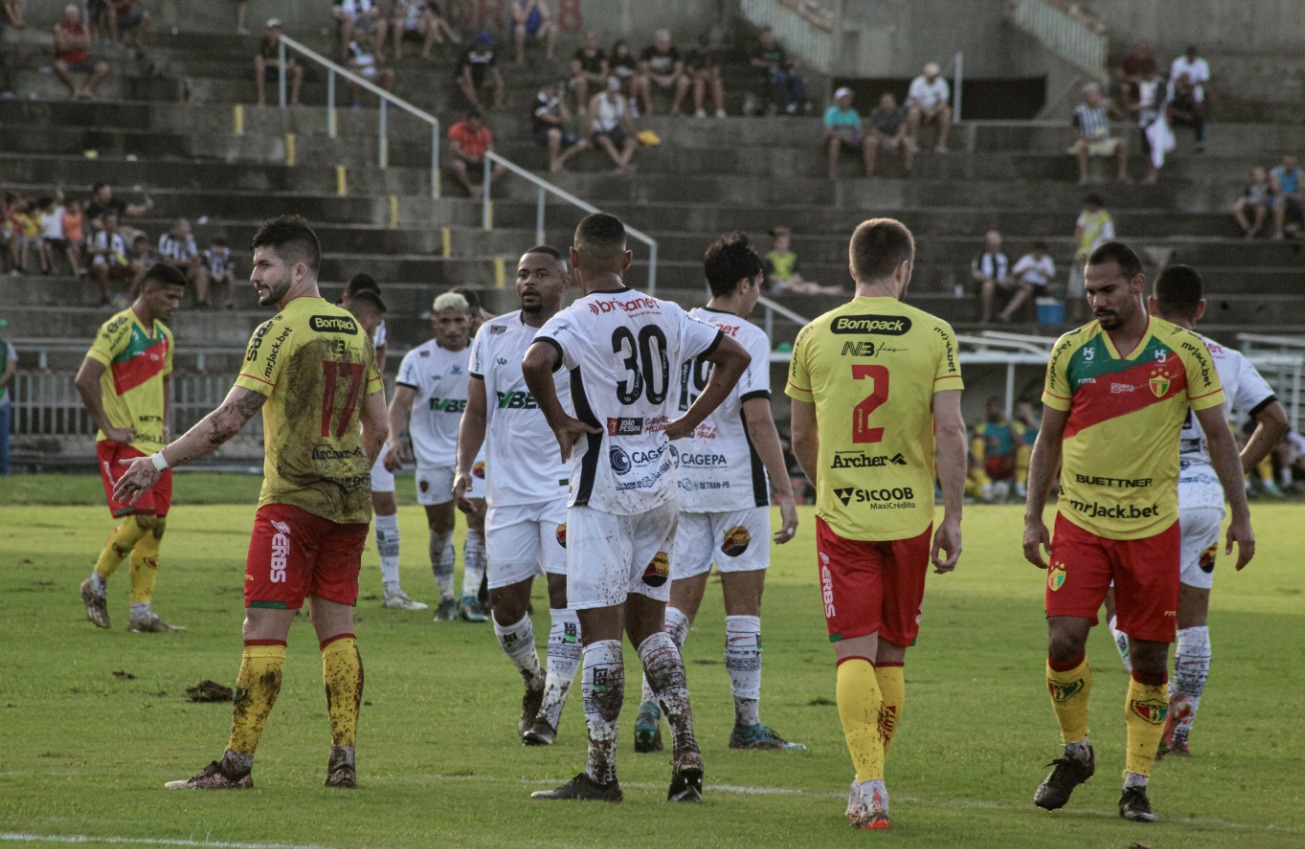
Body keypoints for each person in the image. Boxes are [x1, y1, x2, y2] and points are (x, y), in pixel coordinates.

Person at [115, 215, 387, 791]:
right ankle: (343, 759)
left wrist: (155, 462)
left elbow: (227, 421)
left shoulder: (279, 330)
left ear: (299, 268)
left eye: (264, 264)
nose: (253, 274)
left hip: (290, 502)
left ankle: (236, 765)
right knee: (337, 630)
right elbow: (380, 428)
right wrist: (344, 469)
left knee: (263, 629)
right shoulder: (354, 331)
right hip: (351, 504)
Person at [522, 212, 751, 802]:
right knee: (650, 626)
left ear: (574, 263)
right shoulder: (669, 312)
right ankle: (688, 752)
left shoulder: (573, 318)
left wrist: (560, 423)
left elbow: (534, 363)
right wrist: (689, 421)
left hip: (602, 485)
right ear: (627, 261)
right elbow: (734, 358)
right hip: (660, 481)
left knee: (600, 627)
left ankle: (601, 772)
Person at [1022, 241, 1254, 823]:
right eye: (1090, 291)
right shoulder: (1071, 350)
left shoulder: (1182, 351)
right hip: (1080, 522)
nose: (1097, 301)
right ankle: (1076, 752)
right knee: (1063, 639)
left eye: (1107, 290)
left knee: (1151, 656)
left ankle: (1136, 782)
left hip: (1153, 528)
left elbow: (1222, 437)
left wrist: (1242, 515)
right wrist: (1032, 516)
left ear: (1136, 285)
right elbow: (1047, 439)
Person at [786, 217, 966, 830]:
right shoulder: (935, 333)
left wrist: (826, 481)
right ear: (904, 269)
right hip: (911, 516)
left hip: (844, 516)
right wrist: (955, 517)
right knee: (891, 655)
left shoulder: (812, 334)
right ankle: (872, 779)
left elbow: (801, 434)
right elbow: (950, 430)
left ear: (851, 266)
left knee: (852, 652)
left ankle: (870, 783)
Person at [1100, 265, 1286, 760]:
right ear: (1201, 309)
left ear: (1152, 306)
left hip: (1145, 497)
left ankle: (1155, 702)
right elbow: (1275, 420)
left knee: (1118, 608)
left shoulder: (1135, 350)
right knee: (1193, 621)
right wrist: (1233, 473)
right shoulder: (1227, 358)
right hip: (1204, 499)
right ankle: (1180, 734)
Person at [632, 231, 802, 754]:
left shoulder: (676, 325)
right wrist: (786, 489)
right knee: (743, 608)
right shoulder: (747, 337)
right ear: (747, 284)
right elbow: (757, 418)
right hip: (733, 491)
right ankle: (747, 722)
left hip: (678, 489)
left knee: (674, 611)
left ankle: (647, 707)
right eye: (758, 285)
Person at [453, 246, 581, 746]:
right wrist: (464, 469)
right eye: (523, 274)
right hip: (507, 494)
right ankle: (533, 678)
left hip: (565, 491)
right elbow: (477, 411)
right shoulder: (493, 334)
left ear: (564, 282)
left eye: (542, 274)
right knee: (506, 606)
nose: (529, 282)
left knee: (564, 596)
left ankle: (550, 710)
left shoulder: (579, 331)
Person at [75, 263, 187, 633]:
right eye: (169, 296)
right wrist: (107, 426)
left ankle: (141, 614)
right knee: (141, 518)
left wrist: (166, 422)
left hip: (155, 448)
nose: (175, 304)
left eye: (179, 298)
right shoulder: (119, 328)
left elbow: (167, 380)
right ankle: (96, 582)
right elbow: (85, 378)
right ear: (147, 291)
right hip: (122, 443)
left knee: (156, 526)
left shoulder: (165, 337)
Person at [386, 291, 488, 623]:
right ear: (435, 323)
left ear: (470, 320)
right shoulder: (418, 358)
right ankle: (446, 598)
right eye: (445, 321)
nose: (453, 328)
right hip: (431, 456)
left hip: (476, 453)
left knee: (479, 522)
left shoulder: (484, 353)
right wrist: (392, 439)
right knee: (441, 526)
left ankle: (471, 596)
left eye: (460, 320)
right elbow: (400, 402)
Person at [338, 275, 425, 611]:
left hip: (368, 426)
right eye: (374, 319)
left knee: (384, 502)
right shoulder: (330, 326)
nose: (377, 327)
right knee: (334, 508)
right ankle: (330, 587)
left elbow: (377, 374)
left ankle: (392, 589)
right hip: (337, 433)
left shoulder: (376, 334)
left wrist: (386, 435)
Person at [968, 396, 1026, 503]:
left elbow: (1020, 442)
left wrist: (1007, 422)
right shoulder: (984, 426)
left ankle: (1020, 485)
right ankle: (985, 485)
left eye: (993, 408)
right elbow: (974, 439)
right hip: (989, 462)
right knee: (978, 442)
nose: (990, 411)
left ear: (1001, 408)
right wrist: (988, 438)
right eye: (989, 408)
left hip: (1008, 462)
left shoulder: (1015, 425)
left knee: (1024, 449)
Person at [1070, 83, 1129, 185]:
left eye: (1096, 94)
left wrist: (1112, 107)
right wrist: (1090, 140)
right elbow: (1076, 134)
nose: (1094, 97)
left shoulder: (1104, 108)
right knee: (1080, 146)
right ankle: (1084, 177)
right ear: (1086, 97)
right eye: (1091, 95)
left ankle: (1122, 176)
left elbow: (1120, 118)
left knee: (1122, 143)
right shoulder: (1078, 111)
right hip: (1088, 142)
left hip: (1104, 141)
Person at [1068, 193, 1114, 322]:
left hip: (1096, 259)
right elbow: (1079, 229)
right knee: (1076, 287)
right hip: (1081, 255)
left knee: (1094, 288)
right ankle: (1076, 315)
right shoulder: (1085, 214)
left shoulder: (1105, 218)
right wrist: (1080, 244)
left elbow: (1108, 239)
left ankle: (1092, 316)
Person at [763, 225, 841, 296]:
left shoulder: (792, 257)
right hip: (777, 285)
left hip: (791, 283)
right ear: (775, 243)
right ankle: (802, 290)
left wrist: (792, 281)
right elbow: (770, 276)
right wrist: (785, 281)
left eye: (785, 242)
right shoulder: (770, 257)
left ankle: (825, 290)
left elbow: (796, 275)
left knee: (810, 285)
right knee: (786, 286)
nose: (783, 245)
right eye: (781, 242)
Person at [53, 4, 109, 100]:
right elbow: (62, 47)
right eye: (70, 15)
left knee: (103, 67)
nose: (73, 18)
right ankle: (76, 90)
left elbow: (88, 46)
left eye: (75, 15)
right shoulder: (59, 27)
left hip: (82, 59)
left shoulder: (84, 28)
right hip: (66, 59)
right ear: (65, 16)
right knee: (59, 66)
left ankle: (87, 90)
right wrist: (79, 46)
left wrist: (70, 46)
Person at [532, 81, 591, 173]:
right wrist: (560, 119)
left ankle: (560, 160)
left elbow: (567, 118)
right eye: (549, 88)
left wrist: (561, 101)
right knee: (555, 134)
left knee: (583, 143)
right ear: (544, 89)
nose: (551, 91)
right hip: (542, 132)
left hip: (560, 132)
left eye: (553, 89)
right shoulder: (538, 102)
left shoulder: (556, 102)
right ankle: (552, 165)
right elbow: (546, 117)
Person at [448, 110, 507, 198]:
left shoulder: (484, 131)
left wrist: (483, 157)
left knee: (502, 167)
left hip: (480, 159)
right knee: (457, 166)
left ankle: (481, 188)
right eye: (471, 122)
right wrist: (469, 157)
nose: (474, 125)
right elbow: (455, 149)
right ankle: (470, 188)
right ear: (467, 121)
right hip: (464, 158)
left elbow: (490, 148)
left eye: (476, 121)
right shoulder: (457, 129)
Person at [749, 27, 806, 115]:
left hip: (782, 71)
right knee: (781, 78)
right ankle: (784, 103)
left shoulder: (778, 49)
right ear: (761, 38)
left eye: (770, 37)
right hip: (766, 73)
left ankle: (796, 102)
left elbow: (784, 61)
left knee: (797, 77)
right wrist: (769, 64)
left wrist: (793, 64)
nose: (769, 39)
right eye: (766, 37)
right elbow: (754, 62)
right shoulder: (758, 49)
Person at [588, 77, 639, 175]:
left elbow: (627, 119)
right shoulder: (598, 99)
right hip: (599, 130)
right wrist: (588, 136)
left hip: (614, 129)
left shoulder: (621, 100)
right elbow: (591, 118)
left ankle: (620, 168)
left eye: (615, 92)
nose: (613, 94)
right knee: (605, 140)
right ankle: (624, 166)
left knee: (631, 143)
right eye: (611, 91)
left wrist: (633, 133)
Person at [634, 29, 689, 117]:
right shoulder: (648, 51)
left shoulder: (674, 51)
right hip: (653, 79)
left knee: (684, 80)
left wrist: (671, 78)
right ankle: (649, 109)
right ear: (656, 42)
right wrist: (658, 79)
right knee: (642, 80)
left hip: (670, 79)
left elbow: (679, 69)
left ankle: (675, 108)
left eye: (666, 42)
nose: (664, 45)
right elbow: (643, 69)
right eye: (662, 42)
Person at [158, 218, 211, 308]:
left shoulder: (189, 238)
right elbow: (166, 260)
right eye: (185, 229)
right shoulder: (166, 238)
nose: (187, 232)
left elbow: (194, 256)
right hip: (172, 268)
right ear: (177, 230)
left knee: (202, 270)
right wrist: (185, 262)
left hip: (186, 269)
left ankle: (201, 301)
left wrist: (197, 261)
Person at [87, 210, 136, 306]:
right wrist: (107, 251)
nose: (112, 225)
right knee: (103, 267)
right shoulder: (96, 234)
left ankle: (129, 294)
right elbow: (90, 250)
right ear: (104, 223)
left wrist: (124, 262)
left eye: (114, 222)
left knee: (139, 267)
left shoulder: (119, 237)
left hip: (114, 264)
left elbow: (122, 255)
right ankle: (105, 296)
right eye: (109, 222)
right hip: (98, 264)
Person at [824, 87, 872, 180]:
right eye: (844, 98)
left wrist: (855, 139)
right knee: (835, 142)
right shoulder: (831, 112)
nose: (847, 101)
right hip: (837, 138)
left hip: (850, 139)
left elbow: (859, 131)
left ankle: (869, 172)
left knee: (869, 142)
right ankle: (832, 172)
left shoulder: (853, 113)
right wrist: (844, 138)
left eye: (848, 98)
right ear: (838, 100)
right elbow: (830, 131)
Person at [1167, 45, 1209, 152]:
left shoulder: (1192, 90)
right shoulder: (1173, 90)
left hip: (1188, 114)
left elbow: (1197, 108)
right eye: (1184, 80)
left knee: (1200, 117)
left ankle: (1200, 142)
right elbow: (1168, 108)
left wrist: (1192, 94)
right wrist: (1183, 115)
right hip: (1177, 114)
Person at [1004, 240, 1056, 323]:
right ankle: (1007, 314)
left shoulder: (1047, 260)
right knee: (1027, 290)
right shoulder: (1026, 259)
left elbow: (1052, 277)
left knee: (1050, 289)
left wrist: (1045, 273)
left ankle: (1048, 317)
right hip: (1028, 284)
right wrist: (1025, 270)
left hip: (1041, 286)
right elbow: (1014, 274)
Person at [255, 19, 304, 107]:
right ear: (268, 31)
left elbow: (291, 60)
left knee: (298, 70)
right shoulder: (263, 43)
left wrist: (287, 65)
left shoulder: (283, 44)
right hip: (268, 71)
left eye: (277, 30)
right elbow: (259, 60)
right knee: (260, 69)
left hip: (281, 70)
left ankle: (294, 100)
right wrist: (275, 63)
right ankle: (261, 100)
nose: (275, 33)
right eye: (273, 30)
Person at [866, 92, 914, 177]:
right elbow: (874, 131)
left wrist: (896, 140)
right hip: (881, 138)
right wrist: (886, 140)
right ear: (880, 104)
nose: (887, 104)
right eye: (884, 102)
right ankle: (870, 172)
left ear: (894, 103)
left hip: (896, 138)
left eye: (889, 102)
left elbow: (903, 129)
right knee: (870, 141)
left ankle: (907, 171)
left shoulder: (900, 112)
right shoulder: (875, 113)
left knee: (909, 142)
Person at [906, 62, 951, 152]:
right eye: (930, 75)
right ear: (925, 73)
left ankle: (941, 144)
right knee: (913, 112)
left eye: (934, 75)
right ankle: (913, 143)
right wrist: (926, 112)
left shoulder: (942, 83)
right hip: (920, 110)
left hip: (935, 111)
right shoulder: (917, 83)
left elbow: (943, 102)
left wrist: (933, 112)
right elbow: (915, 101)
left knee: (946, 112)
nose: (932, 77)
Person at [346, 29, 396, 108]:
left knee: (389, 73)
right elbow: (351, 63)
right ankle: (356, 101)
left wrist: (375, 48)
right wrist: (369, 64)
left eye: (361, 35)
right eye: (357, 36)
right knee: (356, 73)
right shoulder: (352, 47)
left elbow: (382, 60)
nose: (359, 38)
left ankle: (386, 100)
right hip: (359, 74)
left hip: (373, 74)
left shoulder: (371, 46)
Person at [391, 1, 457, 60]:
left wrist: (423, 17)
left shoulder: (421, 2)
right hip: (405, 24)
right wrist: (409, 4)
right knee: (398, 23)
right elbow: (398, 14)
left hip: (419, 24)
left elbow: (428, 13)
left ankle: (425, 52)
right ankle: (398, 51)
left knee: (433, 24)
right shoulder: (401, 2)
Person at [455, 33, 505, 111]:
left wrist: (498, 82)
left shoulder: (490, 54)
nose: (489, 47)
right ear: (480, 45)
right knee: (462, 82)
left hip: (480, 79)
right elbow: (467, 74)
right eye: (486, 45)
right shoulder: (468, 53)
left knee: (499, 83)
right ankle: (476, 105)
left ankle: (497, 105)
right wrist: (471, 86)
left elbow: (495, 72)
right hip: (466, 78)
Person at [972, 229, 1013, 324]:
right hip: (986, 284)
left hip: (1003, 285)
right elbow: (976, 274)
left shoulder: (1004, 257)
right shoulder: (981, 257)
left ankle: (1005, 315)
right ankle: (986, 316)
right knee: (988, 286)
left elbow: (1012, 273)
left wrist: (1007, 281)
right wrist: (994, 281)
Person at [683, 34, 726, 119]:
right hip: (695, 81)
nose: (703, 48)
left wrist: (709, 75)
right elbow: (689, 71)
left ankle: (720, 110)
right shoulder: (691, 55)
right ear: (697, 44)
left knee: (717, 82)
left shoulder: (712, 55)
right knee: (699, 83)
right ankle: (699, 110)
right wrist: (700, 74)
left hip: (710, 80)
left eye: (705, 45)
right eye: (701, 45)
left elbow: (716, 70)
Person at [568, 31, 608, 117]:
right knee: (580, 81)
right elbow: (576, 70)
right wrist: (592, 77)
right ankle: (581, 107)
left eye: (592, 39)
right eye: (588, 39)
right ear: (584, 40)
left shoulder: (600, 53)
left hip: (597, 79)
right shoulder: (579, 53)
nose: (590, 41)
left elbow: (605, 69)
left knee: (609, 81)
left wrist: (601, 76)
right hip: (581, 79)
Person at [1269, 153, 1304, 240]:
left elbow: (1301, 192)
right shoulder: (1275, 173)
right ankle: (1278, 232)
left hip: (1294, 198)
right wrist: (1289, 195)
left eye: (1292, 163)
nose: (1290, 165)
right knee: (1279, 203)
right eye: (1288, 163)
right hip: (1279, 198)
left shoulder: (1300, 173)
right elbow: (1276, 191)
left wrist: (1289, 195)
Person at [510, 0, 555, 64]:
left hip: (536, 30)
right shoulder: (516, 4)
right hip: (522, 31)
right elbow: (520, 20)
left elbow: (547, 17)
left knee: (551, 27)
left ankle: (549, 56)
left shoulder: (539, 2)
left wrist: (543, 27)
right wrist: (528, 7)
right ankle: (520, 57)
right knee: (520, 29)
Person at [1232, 165, 1270, 239]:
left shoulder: (1268, 187)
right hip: (1251, 203)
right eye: (1255, 175)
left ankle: (1256, 229)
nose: (1258, 177)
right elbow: (1244, 197)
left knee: (1260, 208)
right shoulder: (1250, 187)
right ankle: (1247, 229)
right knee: (1236, 208)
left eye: (1260, 174)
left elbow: (1265, 199)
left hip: (1261, 205)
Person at [203, 236, 239, 310]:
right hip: (210, 274)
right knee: (204, 276)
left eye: (221, 247)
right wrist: (213, 275)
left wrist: (222, 275)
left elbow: (230, 268)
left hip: (223, 275)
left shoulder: (227, 254)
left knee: (231, 276)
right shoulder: (207, 254)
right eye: (217, 247)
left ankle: (229, 301)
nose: (219, 250)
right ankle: (206, 300)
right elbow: (205, 268)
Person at [0, 318, 15, 476]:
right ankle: (3, 472)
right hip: (3, 397)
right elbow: (10, 370)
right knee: (2, 438)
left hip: (2, 398)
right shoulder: (6, 347)